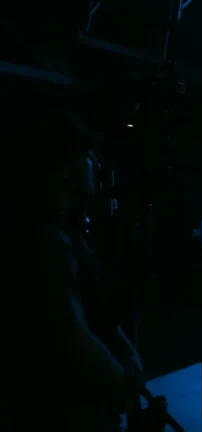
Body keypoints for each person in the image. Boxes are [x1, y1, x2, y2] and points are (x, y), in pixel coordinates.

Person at [7, 110, 144, 431]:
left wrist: (126, 353)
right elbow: (71, 332)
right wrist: (120, 381)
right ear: (62, 167)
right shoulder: (48, 240)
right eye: (87, 154)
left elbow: (98, 313)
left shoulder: (68, 234)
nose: (96, 164)